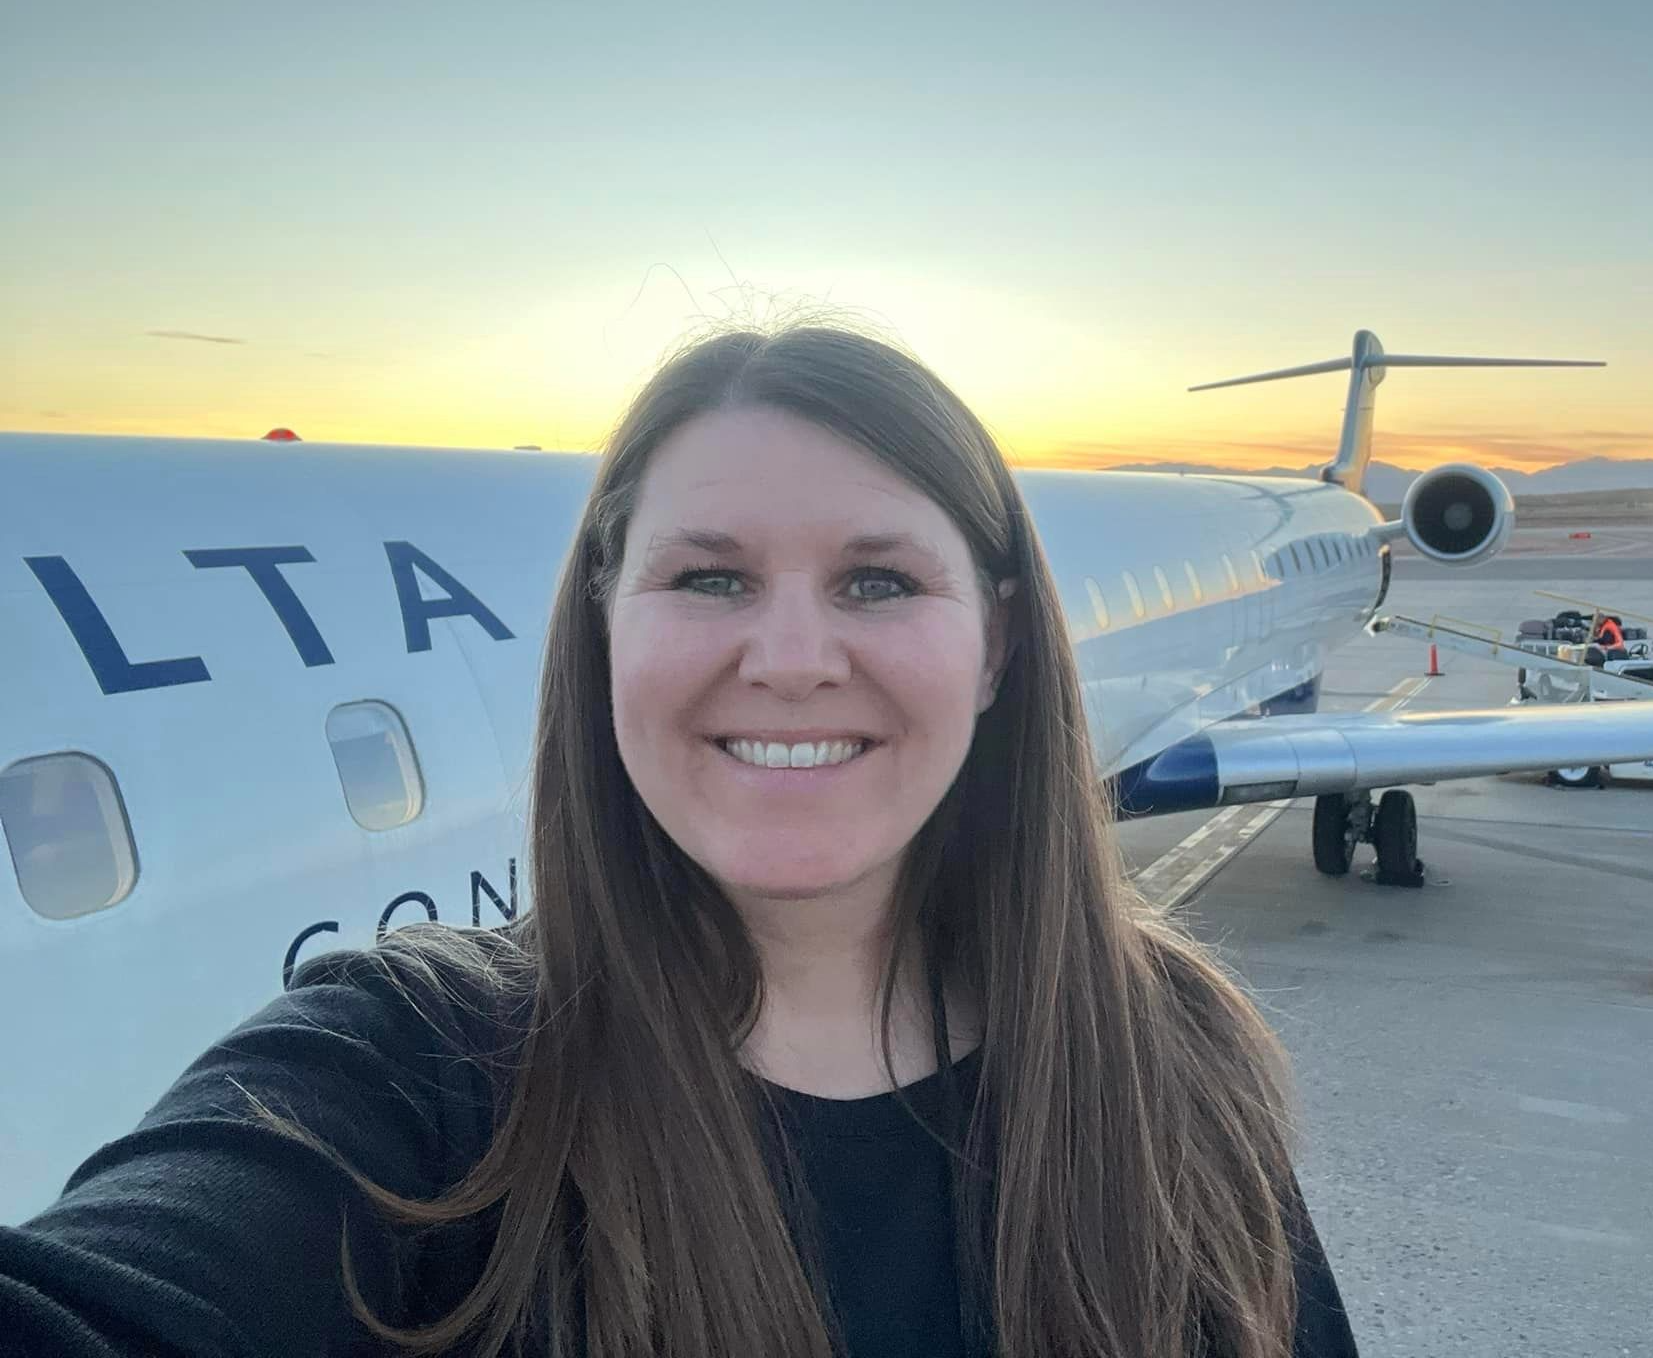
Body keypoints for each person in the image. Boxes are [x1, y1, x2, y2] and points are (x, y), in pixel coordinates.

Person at [0, 326, 1358, 1358]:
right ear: (604, 626)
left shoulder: (1173, 1061)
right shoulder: (412, 1082)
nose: (789, 660)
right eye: (710, 578)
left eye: (876, 582)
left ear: (999, 640)